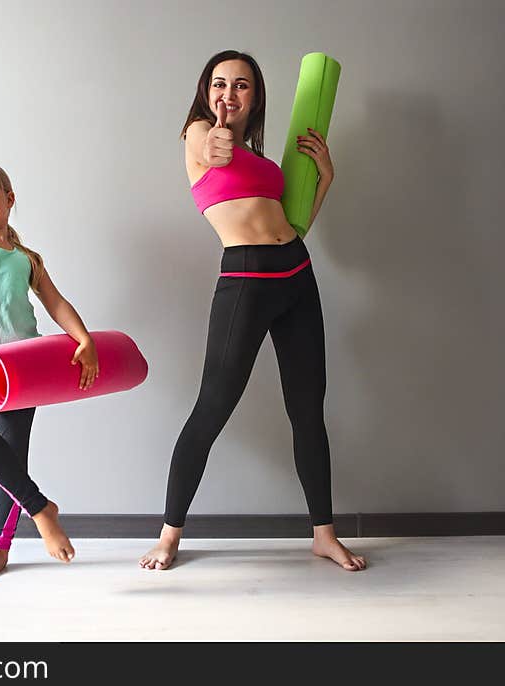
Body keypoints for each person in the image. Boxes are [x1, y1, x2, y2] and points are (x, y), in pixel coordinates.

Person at [140, 51, 366, 572]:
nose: (229, 94)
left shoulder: (262, 160)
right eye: (220, 84)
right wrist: (217, 140)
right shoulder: (199, 136)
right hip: (246, 279)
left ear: (255, 97)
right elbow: (213, 148)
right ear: (206, 91)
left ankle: (324, 534)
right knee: (211, 408)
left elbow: (296, 222)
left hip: (296, 274)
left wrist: (325, 177)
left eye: (242, 86)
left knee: (309, 412)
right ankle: (170, 534)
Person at [0, 162, 99, 579]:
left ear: (10, 198)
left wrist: (84, 339)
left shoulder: (27, 258)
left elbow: (55, 302)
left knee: (12, 454)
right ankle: (41, 509)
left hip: (21, 365)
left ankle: (0, 545)